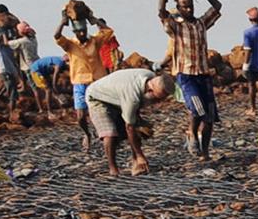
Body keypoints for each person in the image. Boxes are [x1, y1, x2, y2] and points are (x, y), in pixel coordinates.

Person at [158, 0, 222, 159]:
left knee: (209, 116)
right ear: (178, 8)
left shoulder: (201, 23)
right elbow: (162, 14)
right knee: (197, 109)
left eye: (190, 6)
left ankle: (205, 152)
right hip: (186, 75)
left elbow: (217, 7)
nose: (188, 9)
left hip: (203, 73)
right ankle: (192, 133)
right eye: (184, 6)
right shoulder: (176, 27)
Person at [86, 66, 174, 176]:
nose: (159, 102)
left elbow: (134, 114)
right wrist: (140, 155)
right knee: (110, 133)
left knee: (138, 129)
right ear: (150, 91)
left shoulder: (150, 76)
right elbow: (130, 127)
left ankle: (136, 163)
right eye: (158, 99)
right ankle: (113, 169)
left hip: (117, 97)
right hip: (97, 97)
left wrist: (140, 122)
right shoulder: (132, 97)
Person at [54, 13, 105, 152]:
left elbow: (107, 31)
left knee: (100, 112)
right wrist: (62, 21)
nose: (82, 33)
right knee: (81, 116)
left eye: (84, 30)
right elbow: (57, 36)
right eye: (79, 31)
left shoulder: (95, 41)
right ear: (75, 32)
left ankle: (104, 135)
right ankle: (87, 134)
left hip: (96, 81)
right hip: (79, 82)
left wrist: (93, 19)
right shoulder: (70, 44)